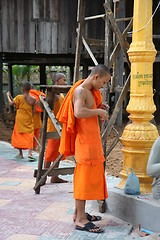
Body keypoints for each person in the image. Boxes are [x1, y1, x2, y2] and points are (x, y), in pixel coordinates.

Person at [57, 65, 111, 233]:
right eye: (103, 82)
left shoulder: (90, 92)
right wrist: (97, 112)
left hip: (91, 140)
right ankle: (80, 220)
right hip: (85, 142)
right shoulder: (80, 91)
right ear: (95, 77)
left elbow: (87, 110)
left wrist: (98, 109)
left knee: (88, 178)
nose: (103, 86)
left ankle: (78, 213)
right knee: (83, 179)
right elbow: (79, 112)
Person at [43, 73, 68, 184]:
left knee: (59, 151)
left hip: (61, 126)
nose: (66, 83)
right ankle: (42, 176)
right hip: (53, 126)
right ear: (57, 81)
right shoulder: (52, 94)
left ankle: (54, 176)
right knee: (50, 152)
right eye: (64, 80)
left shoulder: (61, 95)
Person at [6, 80, 36, 159]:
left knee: (19, 135)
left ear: (22, 89)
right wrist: (30, 117)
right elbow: (34, 111)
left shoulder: (19, 97)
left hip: (20, 119)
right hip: (28, 119)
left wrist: (8, 96)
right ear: (30, 88)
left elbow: (11, 103)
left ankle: (20, 154)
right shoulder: (33, 99)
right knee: (29, 135)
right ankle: (30, 153)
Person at [30, 85, 45, 151]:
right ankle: (34, 148)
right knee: (36, 133)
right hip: (37, 117)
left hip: (30, 117)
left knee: (30, 134)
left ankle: (30, 149)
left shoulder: (28, 94)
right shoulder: (39, 94)